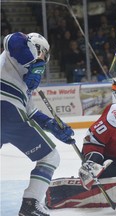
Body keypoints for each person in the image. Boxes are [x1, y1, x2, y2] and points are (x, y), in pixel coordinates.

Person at [0, 32, 75, 216]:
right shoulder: (14, 51)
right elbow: (11, 40)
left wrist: (52, 125)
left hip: (9, 111)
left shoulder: (22, 84)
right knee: (50, 157)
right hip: (7, 110)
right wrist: (36, 63)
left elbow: (31, 112)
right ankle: (30, 205)